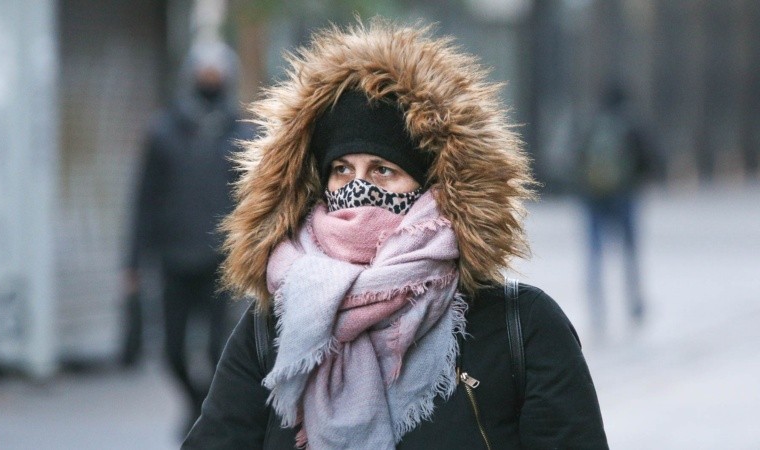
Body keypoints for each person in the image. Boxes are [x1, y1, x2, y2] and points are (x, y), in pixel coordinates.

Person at [184, 20, 608, 449]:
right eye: (342, 170)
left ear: (434, 186)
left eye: (383, 170)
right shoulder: (272, 330)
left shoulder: (519, 326)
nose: (358, 189)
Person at [124, 40, 251, 431]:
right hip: (173, 261)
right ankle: (196, 402)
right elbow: (144, 201)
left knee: (219, 351)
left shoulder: (244, 135)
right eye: (204, 71)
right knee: (171, 352)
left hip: (223, 265)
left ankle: (207, 417)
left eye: (218, 72)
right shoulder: (163, 131)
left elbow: (256, 202)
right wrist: (132, 263)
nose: (210, 78)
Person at [576, 84, 651, 336]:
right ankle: (634, 303)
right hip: (624, 197)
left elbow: (575, 158)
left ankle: (597, 309)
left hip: (593, 199)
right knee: (630, 254)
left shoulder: (590, 123)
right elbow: (649, 158)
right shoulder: (631, 124)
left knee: (594, 256)